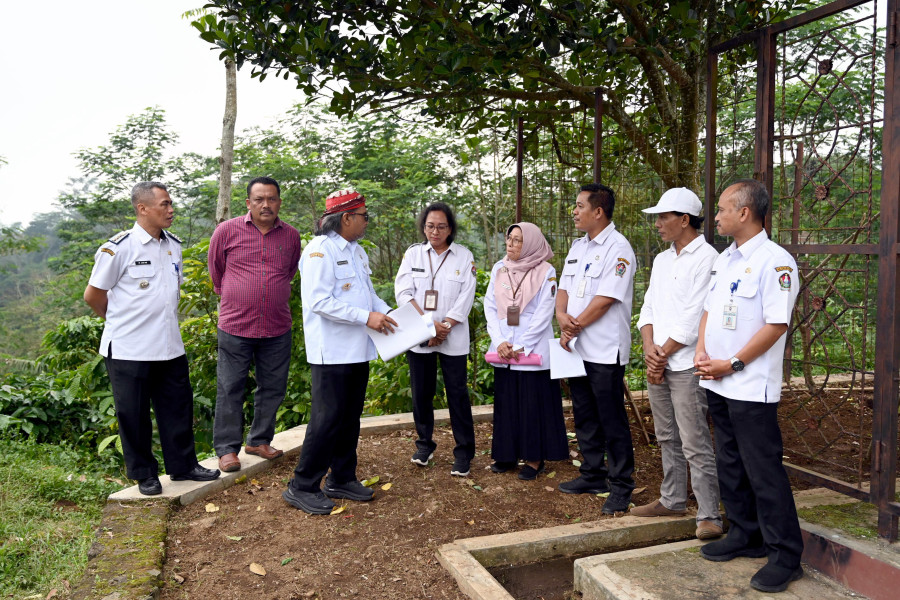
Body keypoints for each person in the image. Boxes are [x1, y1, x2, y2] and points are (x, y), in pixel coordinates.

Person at [694, 179, 803, 593]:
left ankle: (785, 556)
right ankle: (745, 534)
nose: (716, 215)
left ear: (744, 213)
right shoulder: (727, 258)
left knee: (763, 470)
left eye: (722, 208)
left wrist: (733, 362)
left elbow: (777, 325)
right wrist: (703, 351)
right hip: (717, 380)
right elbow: (709, 309)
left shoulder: (776, 262)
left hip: (749, 384)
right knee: (730, 463)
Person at [84, 182, 220, 496]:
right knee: (133, 414)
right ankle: (144, 473)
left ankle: (183, 465)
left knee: (177, 408)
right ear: (142, 208)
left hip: (169, 344)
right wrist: (119, 322)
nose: (171, 210)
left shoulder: (173, 246)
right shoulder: (119, 248)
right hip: (129, 348)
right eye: (164, 204)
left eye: (171, 204)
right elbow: (93, 295)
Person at [283, 189, 398, 515]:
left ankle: (342, 477)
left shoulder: (357, 252)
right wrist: (367, 318)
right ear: (346, 218)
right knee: (326, 419)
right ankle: (302, 485)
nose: (366, 222)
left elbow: (369, 297)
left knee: (348, 418)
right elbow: (318, 301)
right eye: (363, 216)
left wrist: (395, 317)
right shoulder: (321, 250)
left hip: (358, 350)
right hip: (331, 352)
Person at [632, 188, 723, 540]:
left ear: (684, 220)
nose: (658, 224)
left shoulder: (708, 258)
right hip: (661, 359)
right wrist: (649, 349)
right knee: (666, 435)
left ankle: (709, 513)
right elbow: (649, 307)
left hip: (686, 364)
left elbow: (695, 316)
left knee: (694, 439)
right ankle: (672, 499)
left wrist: (663, 353)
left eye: (663, 217)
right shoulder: (662, 259)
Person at [208, 176, 302, 473]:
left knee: (273, 387)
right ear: (248, 203)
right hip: (235, 325)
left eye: (271, 199)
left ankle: (259, 440)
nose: (266, 204)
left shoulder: (291, 236)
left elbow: (289, 273)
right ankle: (226, 449)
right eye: (259, 199)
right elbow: (216, 272)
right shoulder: (226, 231)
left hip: (276, 327)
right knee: (230, 387)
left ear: (279, 203)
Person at [556, 183, 636, 515]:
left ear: (598, 211)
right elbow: (563, 287)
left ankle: (621, 485)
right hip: (576, 348)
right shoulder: (578, 247)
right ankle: (592, 473)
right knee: (584, 414)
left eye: (579, 206)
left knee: (611, 418)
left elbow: (606, 299)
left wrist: (574, 325)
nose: (574, 211)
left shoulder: (619, 248)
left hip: (604, 349)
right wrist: (562, 317)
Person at [394, 203, 477, 477]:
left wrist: (445, 326)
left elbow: (466, 297)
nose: (435, 231)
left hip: (453, 336)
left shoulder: (464, 257)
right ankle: (424, 444)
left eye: (441, 226)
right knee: (421, 393)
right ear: (423, 227)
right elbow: (403, 292)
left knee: (457, 394)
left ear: (450, 228)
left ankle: (464, 452)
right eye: (430, 226)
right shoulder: (413, 254)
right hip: (421, 335)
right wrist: (429, 326)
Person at [484, 222, 568, 480]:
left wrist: (519, 347)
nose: (511, 243)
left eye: (518, 240)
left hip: (531, 350)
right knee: (507, 402)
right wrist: (499, 341)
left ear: (530, 242)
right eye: (509, 238)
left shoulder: (546, 271)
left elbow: (543, 315)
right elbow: (490, 306)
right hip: (503, 348)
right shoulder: (500, 268)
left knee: (532, 405)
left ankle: (534, 459)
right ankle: (506, 454)